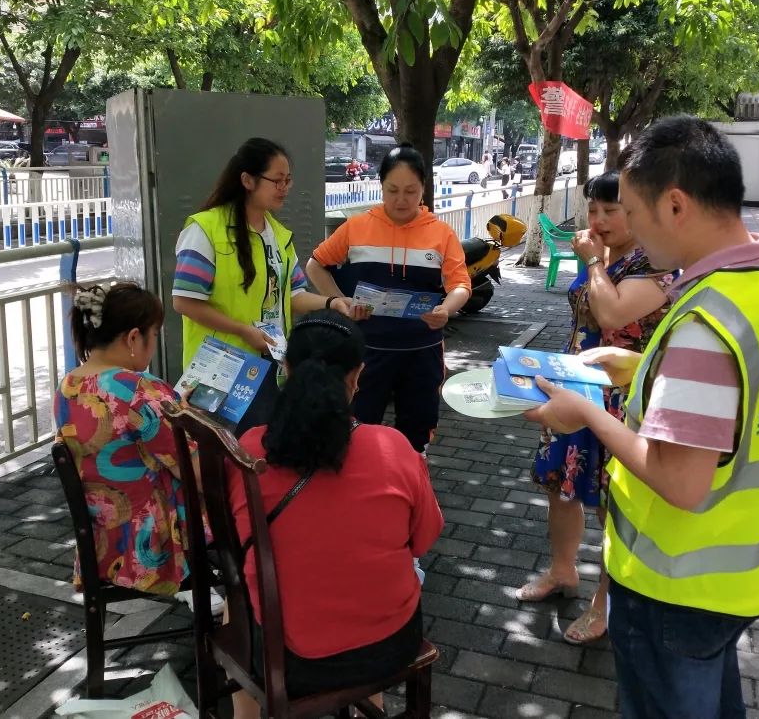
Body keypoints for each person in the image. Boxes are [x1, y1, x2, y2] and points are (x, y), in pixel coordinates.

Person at [526, 116, 759, 718]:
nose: (630, 232)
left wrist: (586, 411)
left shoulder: (704, 322)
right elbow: (737, 394)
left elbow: (681, 481)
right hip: (744, 571)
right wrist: (638, 366)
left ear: (675, 204)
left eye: (633, 214)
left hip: (679, 580)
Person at [228, 311, 444, 715]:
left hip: (286, 657)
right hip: (388, 646)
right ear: (358, 375)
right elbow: (424, 540)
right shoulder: (395, 447)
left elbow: (240, 540)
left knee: (234, 601)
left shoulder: (250, 448)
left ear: (286, 368)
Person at [516, 171, 677, 648]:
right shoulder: (604, 255)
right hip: (573, 388)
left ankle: (604, 601)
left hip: (621, 397)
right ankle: (563, 571)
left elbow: (612, 315)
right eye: (594, 210)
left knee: (615, 502)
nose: (600, 220)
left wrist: (593, 262)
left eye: (613, 210)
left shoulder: (656, 263)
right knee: (560, 484)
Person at [54, 282, 220, 611]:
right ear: (133, 337)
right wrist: (190, 421)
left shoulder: (68, 386)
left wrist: (173, 410)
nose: (155, 343)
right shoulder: (142, 392)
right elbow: (198, 474)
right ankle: (216, 597)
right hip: (154, 542)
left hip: (105, 538)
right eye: (154, 334)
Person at [172, 138, 352, 434]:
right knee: (219, 461)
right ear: (247, 180)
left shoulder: (279, 236)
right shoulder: (205, 229)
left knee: (258, 456)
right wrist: (244, 331)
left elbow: (293, 296)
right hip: (219, 371)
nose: (285, 188)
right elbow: (185, 301)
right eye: (277, 180)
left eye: (288, 180)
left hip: (269, 368)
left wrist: (332, 302)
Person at [306, 143, 472, 453]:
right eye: (392, 189)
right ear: (380, 186)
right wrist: (340, 302)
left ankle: (411, 489)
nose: (401, 200)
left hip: (421, 352)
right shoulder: (356, 227)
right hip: (366, 352)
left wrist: (446, 309)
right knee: (358, 430)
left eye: (410, 191)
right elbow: (316, 265)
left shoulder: (441, 234)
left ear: (423, 188)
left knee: (416, 436)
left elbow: (461, 284)